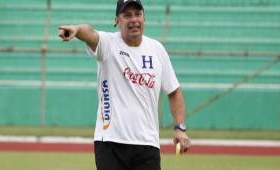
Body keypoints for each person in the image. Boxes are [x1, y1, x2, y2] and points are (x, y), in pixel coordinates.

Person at [58, 0, 190, 169]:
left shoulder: (157, 49)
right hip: (110, 143)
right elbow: (90, 32)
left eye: (138, 14)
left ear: (144, 18)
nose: (134, 19)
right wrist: (76, 30)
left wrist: (180, 128)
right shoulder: (108, 44)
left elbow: (174, 91)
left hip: (147, 145)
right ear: (117, 21)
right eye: (127, 15)